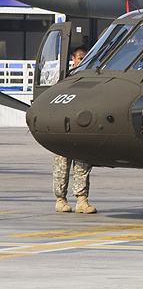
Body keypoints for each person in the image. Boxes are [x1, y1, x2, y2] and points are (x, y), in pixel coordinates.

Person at [53, 46, 95, 214]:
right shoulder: (64, 77)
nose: (82, 61)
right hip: (62, 129)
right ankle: (60, 199)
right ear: (73, 59)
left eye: (85, 58)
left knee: (83, 165)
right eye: (80, 58)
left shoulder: (92, 78)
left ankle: (81, 200)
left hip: (81, 129)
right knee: (61, 167)